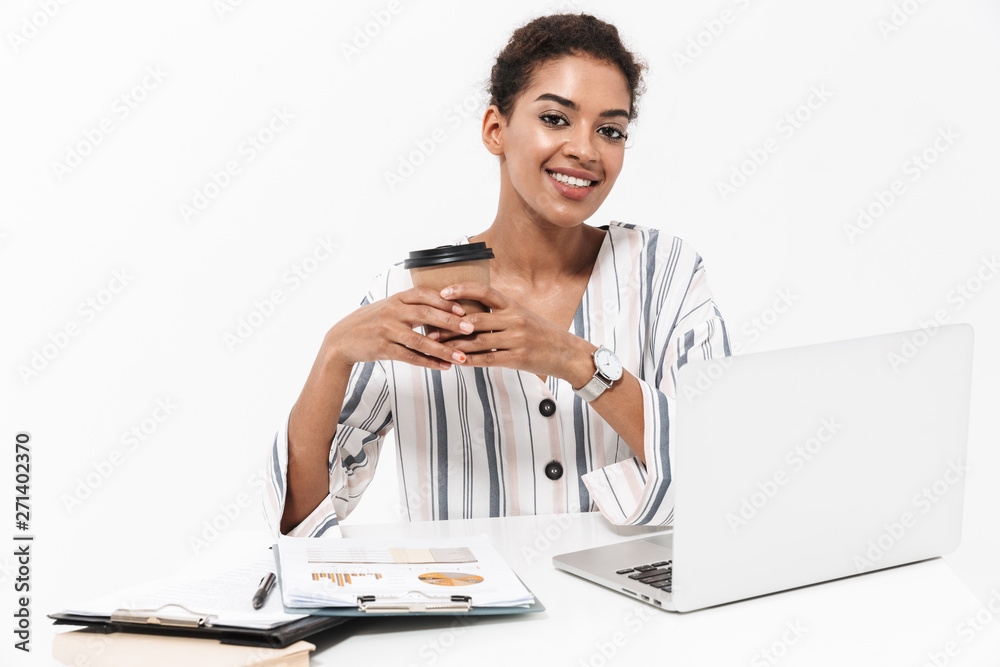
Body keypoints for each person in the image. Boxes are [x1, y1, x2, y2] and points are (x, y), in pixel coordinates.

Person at [263, 13, 730, 538]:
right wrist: (333, 355)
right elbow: (299, 522)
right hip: (468, 613)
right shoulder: (409, 295)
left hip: (633, 605)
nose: (585, 149)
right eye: (556, 118)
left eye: (610, 130)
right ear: (495, 130)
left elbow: (721, 463)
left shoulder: (666, 271)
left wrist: (573, 360)